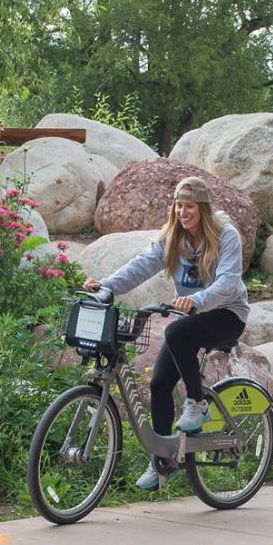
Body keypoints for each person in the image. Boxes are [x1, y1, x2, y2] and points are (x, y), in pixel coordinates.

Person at [83, 175, 250, 490]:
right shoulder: (173, 238)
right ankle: (163, 461)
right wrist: (105, 286)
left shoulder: (226, 236)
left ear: (203, 209)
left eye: (189, 207)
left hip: (227, 314)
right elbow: (140, 267)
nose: (183, 213)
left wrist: (197, 300)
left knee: (176, 333)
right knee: (159, 384)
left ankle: (197, 403)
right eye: (178, 206)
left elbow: (228, 283)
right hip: (191, 316)